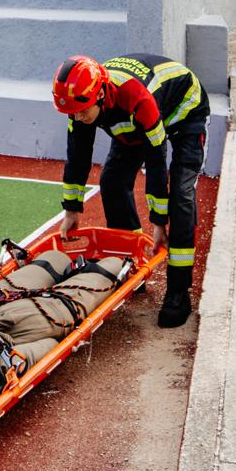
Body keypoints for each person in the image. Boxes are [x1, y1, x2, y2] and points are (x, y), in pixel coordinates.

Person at [52, 53, 210, 329]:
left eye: (82, 110)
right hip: (134, 121)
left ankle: (178, 293)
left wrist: (159, 222)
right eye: (72, 112)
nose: (77, 116)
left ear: (100, 95)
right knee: (113, 181)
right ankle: (130, 264)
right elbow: (77, 156)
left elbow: (156, 160)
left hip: (184, 112)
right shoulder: (80, 103)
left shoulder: (136, 98)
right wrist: (72, 209)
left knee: (180, 198)